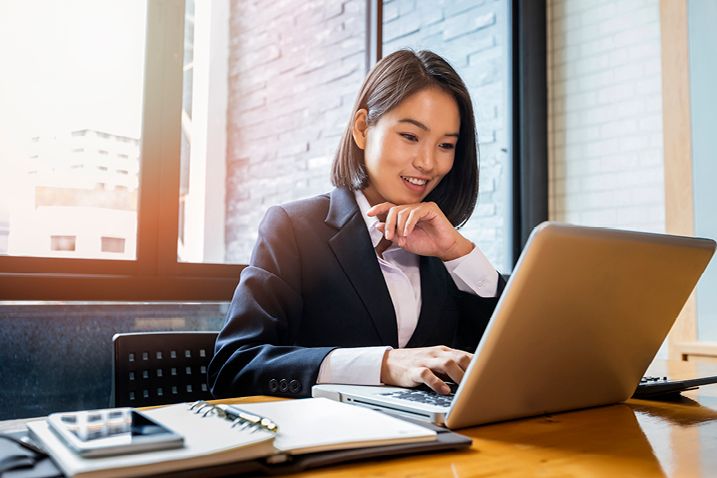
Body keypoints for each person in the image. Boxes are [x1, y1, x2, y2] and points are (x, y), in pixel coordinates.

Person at [208, 49, 505, 399]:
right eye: (410, 136)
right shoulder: (294, 228)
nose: (427, 162)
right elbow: (233, 365)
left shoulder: (446, 254)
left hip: (432, 443)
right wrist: (383, 365)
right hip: (326, 443)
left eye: (445, 145)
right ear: (363, 129)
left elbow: (506, 357)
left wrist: (458, 252)